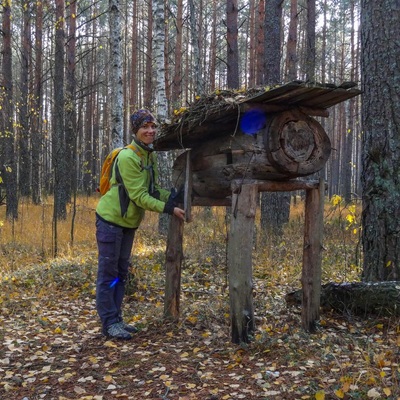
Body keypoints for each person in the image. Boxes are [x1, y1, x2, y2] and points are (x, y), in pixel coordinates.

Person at [95, 109, 185, 340]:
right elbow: (138, 196)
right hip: (111, 221)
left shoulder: (148, 155)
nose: (150, 131)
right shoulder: (127, 157)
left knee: (121, 273)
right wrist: (169, 209)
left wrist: (172, 196)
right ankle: (109, 324)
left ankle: (117, 319)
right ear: (135, 130)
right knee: (108, 274)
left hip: (127, 224)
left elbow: (152, 190)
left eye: (153, 126)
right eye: (145, 127)